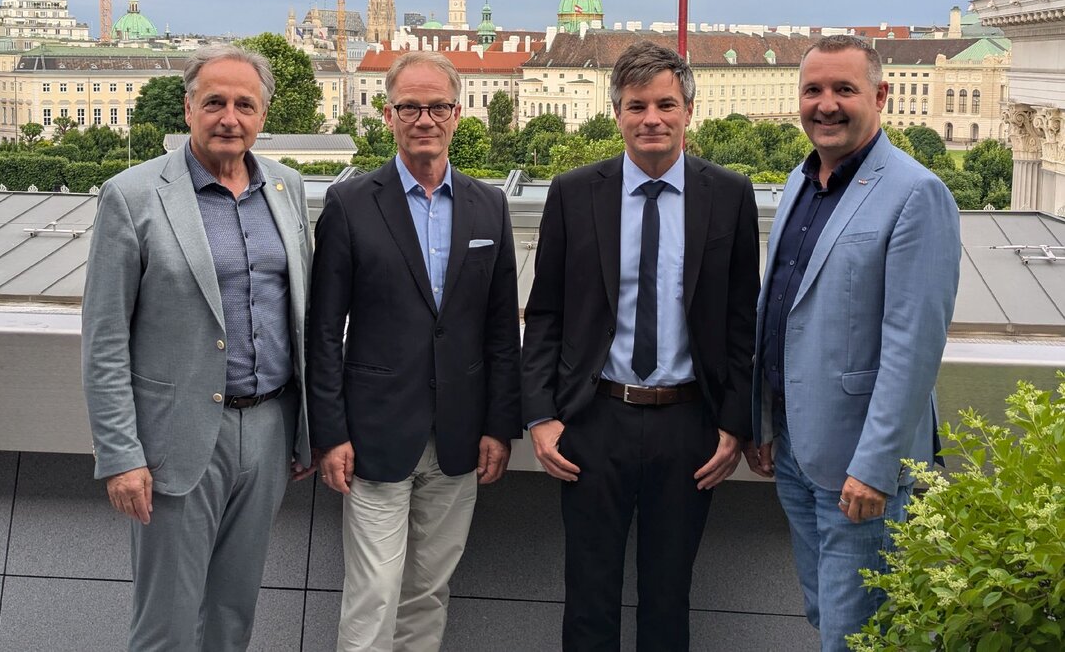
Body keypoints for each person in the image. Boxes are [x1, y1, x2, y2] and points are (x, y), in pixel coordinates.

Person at [522, 39, 759, 650]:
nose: (651, 118)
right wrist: (542, 417)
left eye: (665, 104)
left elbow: (740, 323)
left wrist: (734, 425)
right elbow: (544, 312)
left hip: (690, 427)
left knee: (667, 598)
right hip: (594, 420)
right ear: (616, 114)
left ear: (688, 111)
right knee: (588, 597)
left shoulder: (729, 194)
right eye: (635, 106)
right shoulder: (575, 193)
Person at [82, 44, 314, 650]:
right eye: (214, 102)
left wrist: (307, 429)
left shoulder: (287, 190)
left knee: (232, 617)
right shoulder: (131, 197)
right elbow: (104, 338)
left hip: (267, 430)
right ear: (188, 108)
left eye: (245, 104)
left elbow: (300, 316)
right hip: (174, 441)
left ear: (263, 114)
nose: (229, 118)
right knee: (166, 625)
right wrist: (121, 455)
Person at [745, 35, 961, 650]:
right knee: (826, 616)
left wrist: (877, 468)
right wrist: (763, 422)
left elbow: (913, 348)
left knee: (857, 634)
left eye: (844, 89)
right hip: (793, 448)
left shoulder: (917, 193)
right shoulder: (799, 182)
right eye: (813, 90)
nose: (826, 104)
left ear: (880, 96)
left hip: (860, 467)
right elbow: (779, 311)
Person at [307, 50, 521, 652]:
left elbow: (502, 329)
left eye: (436, 107)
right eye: (409, 107)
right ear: (388, 114)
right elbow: (323, 332)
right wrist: (329, 433)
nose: (423, 119)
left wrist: (499, 426)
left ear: (457, 114)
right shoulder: (350, 205)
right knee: (373, 593)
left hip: (460, 435)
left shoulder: (488, 206)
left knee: (428, 592)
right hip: (373, 437)